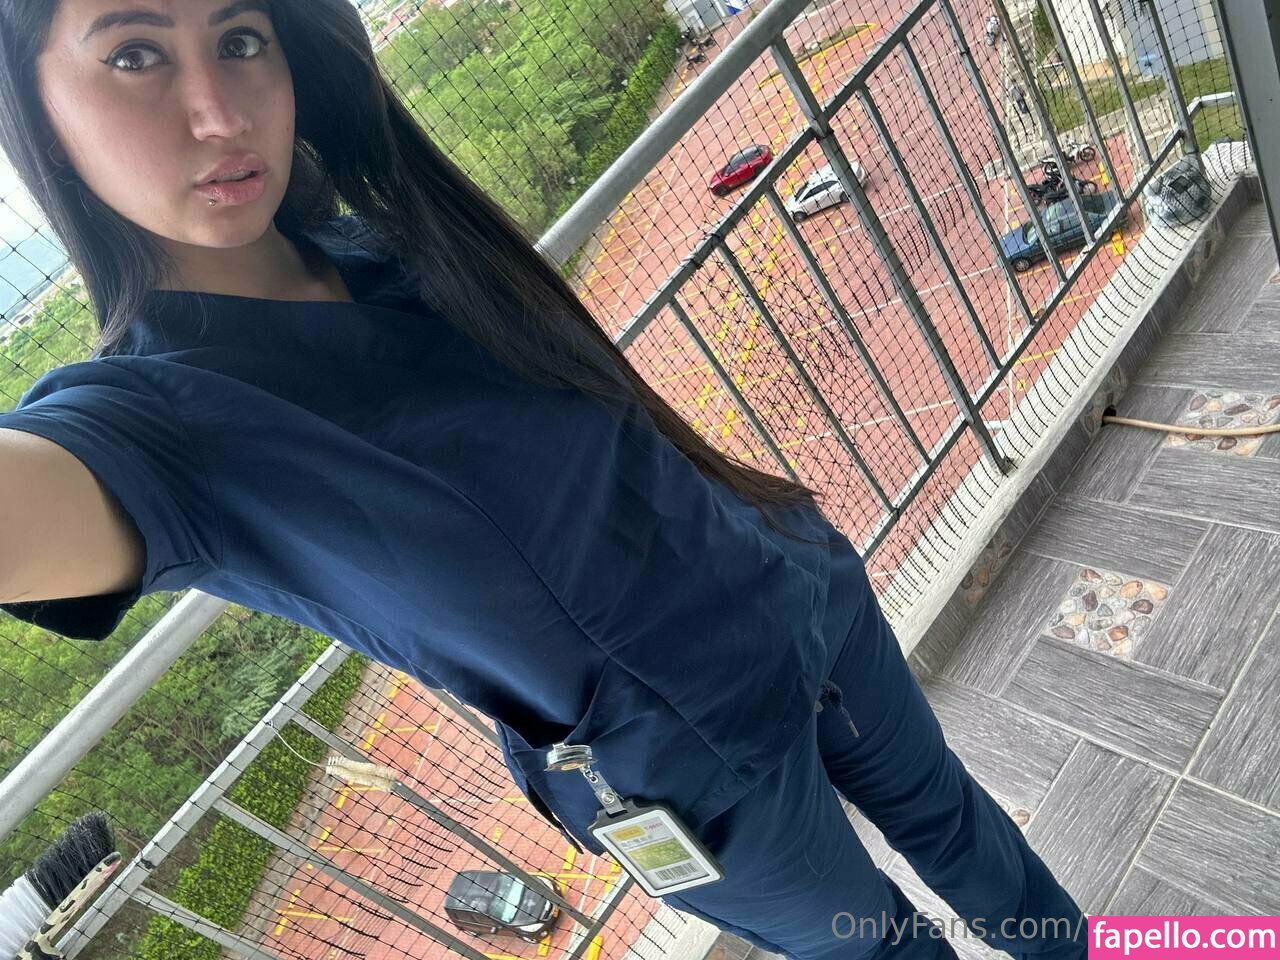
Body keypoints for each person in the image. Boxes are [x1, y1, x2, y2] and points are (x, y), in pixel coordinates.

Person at [0, 2, 1089, 958]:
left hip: (798, 592)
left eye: (242, 39)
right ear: (33, 110)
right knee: (876, 945)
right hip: (702, 782)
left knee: (959, 826)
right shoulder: (152, 429)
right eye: (134, 54)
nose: (220, 112)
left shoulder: (404, 242)